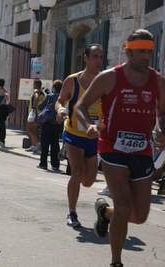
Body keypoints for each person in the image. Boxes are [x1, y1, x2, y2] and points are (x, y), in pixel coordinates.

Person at [75, 29, 165, 267]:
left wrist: (162, 130)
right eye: (139, 52)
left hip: (142, 150)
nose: (145, 56)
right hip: (112, 147)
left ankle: (105, 212)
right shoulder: (109, 77)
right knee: (124, 205)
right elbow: (81, 106)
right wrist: (88, 127)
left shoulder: (159, 82)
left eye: (148, 51)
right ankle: (116, 262)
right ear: (127, 51)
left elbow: (162, 113)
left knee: (138, 215)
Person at [55, 44, 104, 227]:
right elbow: (61, 100)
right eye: (95, 57)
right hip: (73, 133)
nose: (98, 61)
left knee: (88, 181)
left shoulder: (104, 81)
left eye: (101, 57)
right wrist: (60, 110)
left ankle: (97, 206)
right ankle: (72, 212)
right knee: (76, 172)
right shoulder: (72, 81)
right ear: (86, 58)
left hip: (93, 136)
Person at [37, 80, 63, 170]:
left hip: (47, 122)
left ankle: (43, 163)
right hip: (57, 123)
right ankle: (55, 164)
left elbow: (40, 106)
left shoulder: (49, 96)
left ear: (54, 88)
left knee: (45, 144)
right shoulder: (63, 98)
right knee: (55, 144)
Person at [25, 80, 44, 152]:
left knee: (28, 129)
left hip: (35, 113)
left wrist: (33, 107)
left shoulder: (36, 91)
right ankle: (34, 145)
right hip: (38, 113)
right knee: (33, 130)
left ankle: (38, 143)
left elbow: (36, 98)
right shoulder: (41, 92)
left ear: (36, 84)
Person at [0, 78, 9, 146]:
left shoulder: (2, 90)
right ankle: (0, 138)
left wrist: (3, 101)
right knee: (1, 124)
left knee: (2, 124)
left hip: (1, 108)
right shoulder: (1, 90)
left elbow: (6, 95)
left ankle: (2, 140)